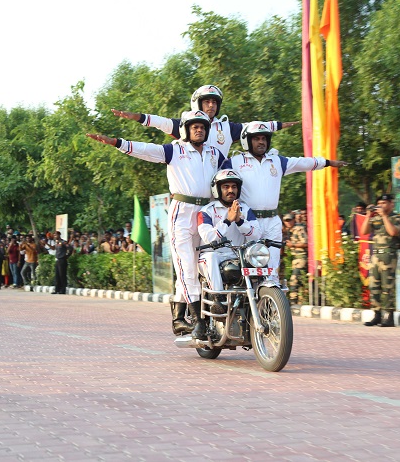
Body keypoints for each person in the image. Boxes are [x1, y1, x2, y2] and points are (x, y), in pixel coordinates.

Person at [87, 110, 226, 332]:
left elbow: (232, 176)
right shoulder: (175, 150)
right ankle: (198, 321)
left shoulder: (214, 154)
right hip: (182, 211)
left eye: (202, 127)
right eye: (194, 127)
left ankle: (179, 318)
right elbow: (145, 150)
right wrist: (116, 142)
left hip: (207, 213)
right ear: (186, 130)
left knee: (201, 264)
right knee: (185, 266)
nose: (199, 129)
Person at [220, 121, 346, 281]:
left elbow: (302, 162)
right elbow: (218, 183)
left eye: (264, 138)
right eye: (256, 138)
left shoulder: (277, 161)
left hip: (272, 221)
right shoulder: (234, 162)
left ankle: (271, 301)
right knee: (247, 269)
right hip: (247, 221)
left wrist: (327, 162)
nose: (261, 142)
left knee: (272, 270)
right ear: (246, 140)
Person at [111, 84, 298, 156]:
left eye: (214, 102)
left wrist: (283, 124)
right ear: (197, 104)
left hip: (221, 188)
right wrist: (136, 117)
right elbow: (161, 122)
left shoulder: (226, 127)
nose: (211, 105)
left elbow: (256, 127)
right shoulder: (185, 125)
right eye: (207, 101)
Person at [195, 170, 261, 339]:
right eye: (225, 187)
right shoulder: (206, 211)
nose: (230, 190)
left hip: (237, 256)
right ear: (218, 189)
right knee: (211, 257)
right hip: (211, 255)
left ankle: (262, 302)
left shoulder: (245, 209)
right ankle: (218, 299)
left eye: (233, 187)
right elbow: (208, 237)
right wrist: (227, 220)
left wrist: (239, 220)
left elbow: (256, 234)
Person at [361, 194, 400, 327]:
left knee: (388, 287)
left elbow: (393, 232)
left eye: (384, 203)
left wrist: (385, 216)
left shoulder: (396, 217)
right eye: (379, 203)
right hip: (376, 255)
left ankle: (389, 316)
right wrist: (368, 215)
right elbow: (364, 231)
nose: (381, 206)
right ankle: (377, 314)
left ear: (391, 204)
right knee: (374, 286)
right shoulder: (375, 218)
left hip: (388, 255)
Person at [286, 210, 308, 305]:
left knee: (294, 281)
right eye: (286, 220)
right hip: (295, 259)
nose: (288, 222)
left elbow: (305, 243)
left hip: (301, 258)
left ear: (294, 220)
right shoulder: (290, 230)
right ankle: (300, 302)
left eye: (290, 220)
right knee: (301, 281)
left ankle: (293, 302)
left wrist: (293, 244)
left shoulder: (299, 229)